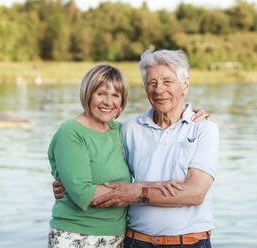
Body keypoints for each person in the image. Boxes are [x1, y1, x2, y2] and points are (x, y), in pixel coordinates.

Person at [47, 63, 208, 248]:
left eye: (115, 95)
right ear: (87, 93)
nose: (108, 102)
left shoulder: (121, 131)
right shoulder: (71, 132)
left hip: (118, 237)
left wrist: (190, 116)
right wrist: (142, 189)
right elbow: (84, 194)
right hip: (76, 236)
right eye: (101, 94)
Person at [91, 50, 219, 248]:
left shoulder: (204, 128)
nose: (159, 90)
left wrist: (136, 192)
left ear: (185, 85)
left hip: (189, 243)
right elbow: (105, 175)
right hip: (136, 241)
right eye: (152, 83)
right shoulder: (130, 129)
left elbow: (194, 193)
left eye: (168, 82)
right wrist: (67, 184)